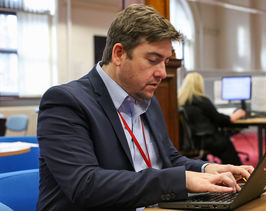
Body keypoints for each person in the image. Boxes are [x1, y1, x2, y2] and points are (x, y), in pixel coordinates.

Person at [36, 4, 253, 211]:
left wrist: (208, 169)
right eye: (152, 60)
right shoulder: (65, 102)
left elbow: (169, 159)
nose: (161, 72)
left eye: (165, 62)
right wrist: (180, 180)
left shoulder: (146, 97)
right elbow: (86, 184)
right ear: (119, 54)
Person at [178, 72, 246, 165]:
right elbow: (218, 119)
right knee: (226, 144)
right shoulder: (201, 100)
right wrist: (233, 116)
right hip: (205, 140)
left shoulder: (180, 101)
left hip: (191, 141)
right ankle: (237, 173)